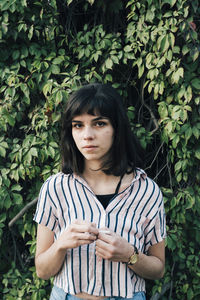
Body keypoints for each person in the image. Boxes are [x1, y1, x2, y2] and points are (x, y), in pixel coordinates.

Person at [34, 83, 166, 300]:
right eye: (78, 125)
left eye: (99, 123)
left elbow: (158, 268)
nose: (87, 135)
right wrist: (60, 245)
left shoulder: (146, 191)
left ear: (117, 128)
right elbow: (42, 271)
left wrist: (130, 255)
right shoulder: (55, 188)